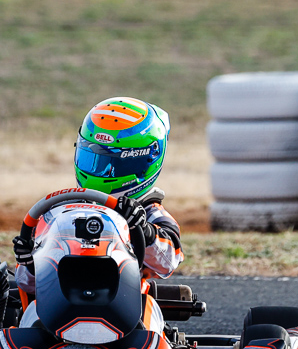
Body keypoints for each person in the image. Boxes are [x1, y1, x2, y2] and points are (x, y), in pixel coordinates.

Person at [13, 96, 184, 297]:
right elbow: (27, 284)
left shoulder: (150, 213)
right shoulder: (61, 212)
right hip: (58, 309)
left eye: (109, 165)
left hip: (128, 311)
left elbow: (169, 262)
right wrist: (31, 263)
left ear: (141, 162)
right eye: (92, 158)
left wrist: (144, 230)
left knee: (151, 313)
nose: (96, 171)